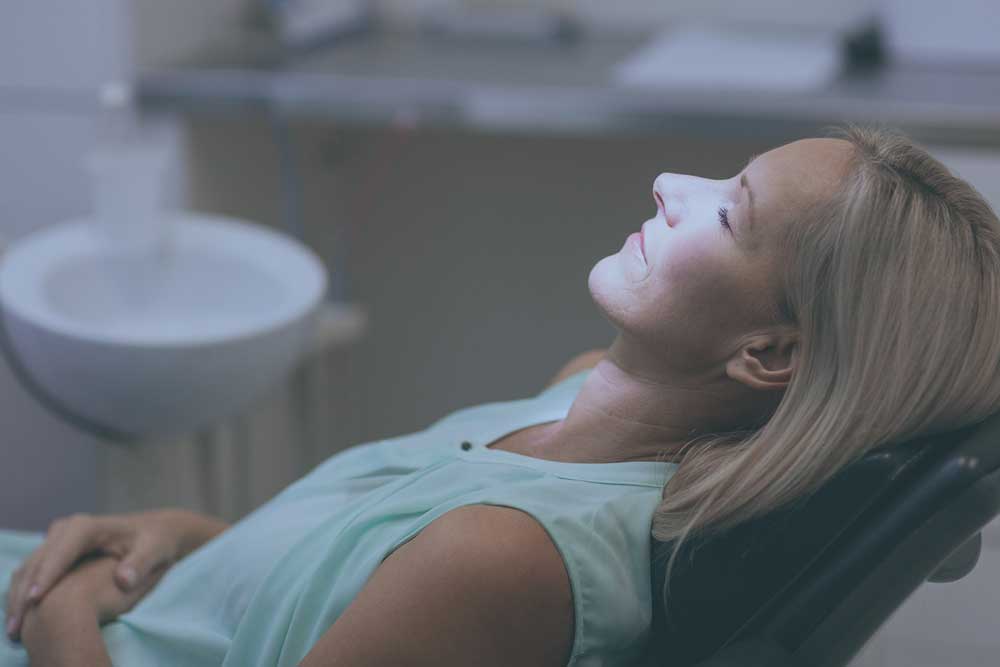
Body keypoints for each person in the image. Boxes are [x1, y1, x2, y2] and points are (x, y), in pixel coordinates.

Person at [3, 125, 1000, 666]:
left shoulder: (506, 557)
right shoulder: (573, 401)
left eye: (728, 211)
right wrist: (177, 532)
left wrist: (63, 616)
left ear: (768, 354)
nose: (665, 182)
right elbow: (344, 589)